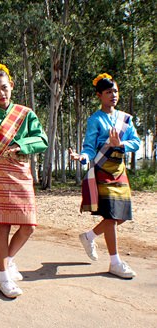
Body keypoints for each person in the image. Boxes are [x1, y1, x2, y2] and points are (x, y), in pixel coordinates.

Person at [0, 62, 48, 298]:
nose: (0, 94)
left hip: (21, 172)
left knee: (29, 225)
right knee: (3, 226)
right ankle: (3, 276)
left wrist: (21, 144)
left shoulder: (26, 114)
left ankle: (9, 258)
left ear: (11, 86)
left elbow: (41, 139)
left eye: (4, 88)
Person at [69, 73, 140, 279]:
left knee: (121, 216)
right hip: (103, 171)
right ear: (99, 95)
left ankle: (89, 236)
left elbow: (135, 142)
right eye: (109, 92)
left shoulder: (125, 119)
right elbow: (89, 147)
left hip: (120, 170)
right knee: (111, 216)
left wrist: (122, 144)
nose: (113, 95)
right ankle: (115, 261)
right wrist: (82, 157)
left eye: (115, 91)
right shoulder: (95, 120)